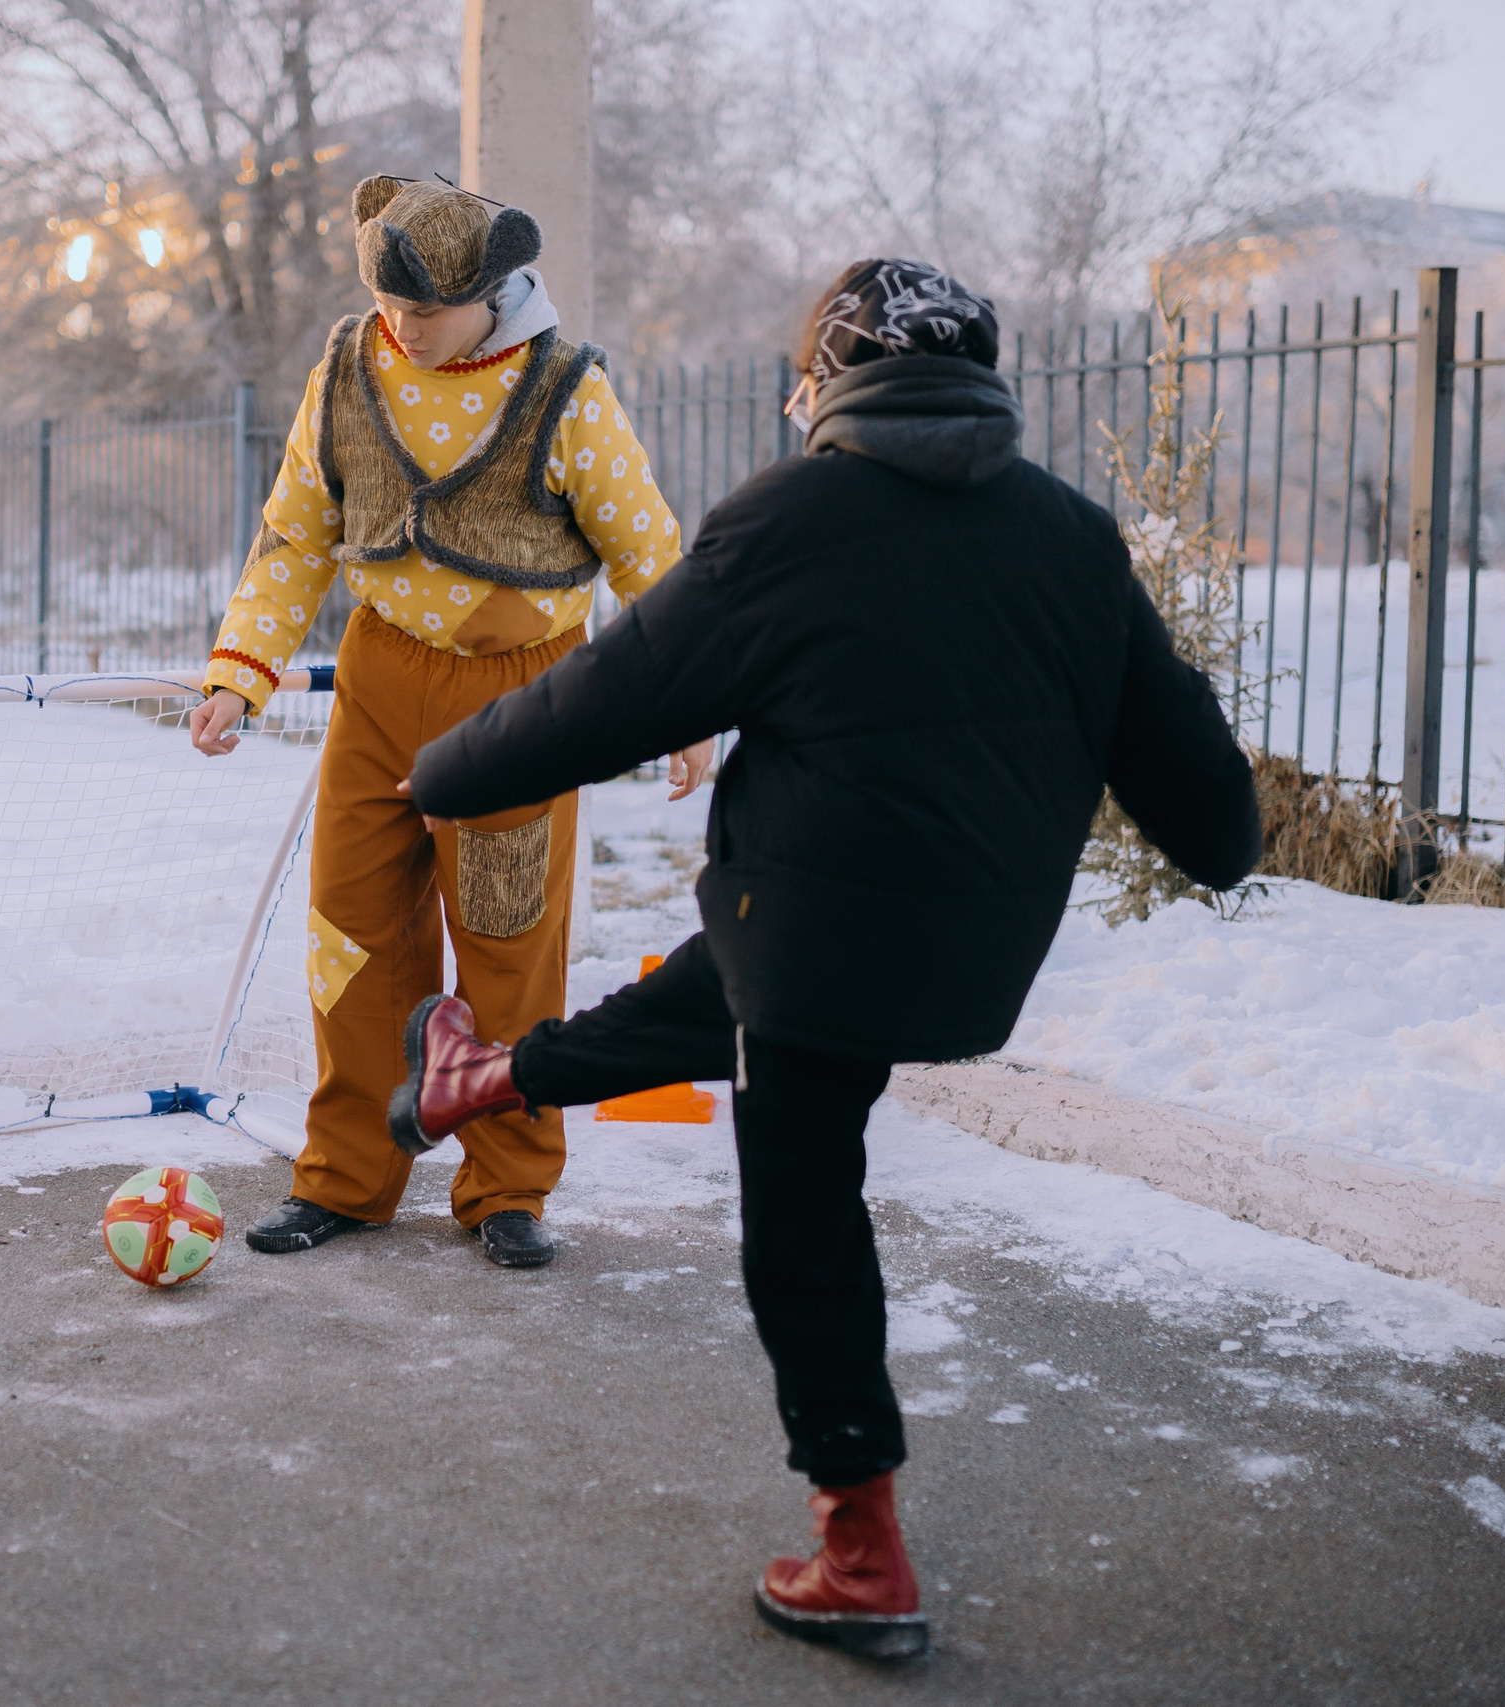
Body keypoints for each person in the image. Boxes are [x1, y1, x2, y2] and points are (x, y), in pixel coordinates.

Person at [387, 258, 1262, 1656]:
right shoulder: (1074, 539)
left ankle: (860, 1546)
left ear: (827, 381)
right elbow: (1218, 823)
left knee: (803, 1201)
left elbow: (599, 700)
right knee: (716, 988)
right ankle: (486, 1077)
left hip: (804, 940)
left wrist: (436, 772)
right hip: (970, 949)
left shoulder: (789, 522)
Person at [188, 174, 710, 1268]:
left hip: (521, 699)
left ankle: (507, 1187)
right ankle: (346, 1177)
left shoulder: (566, 390)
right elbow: (296, 531)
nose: (403, 328)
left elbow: (650, 553)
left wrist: (686, 704)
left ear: (494, 292)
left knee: (508, 946)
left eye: (424, 311)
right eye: (389, 306)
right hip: (380, 684)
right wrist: (242, 670)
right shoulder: (348, 365)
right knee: (352, 934)